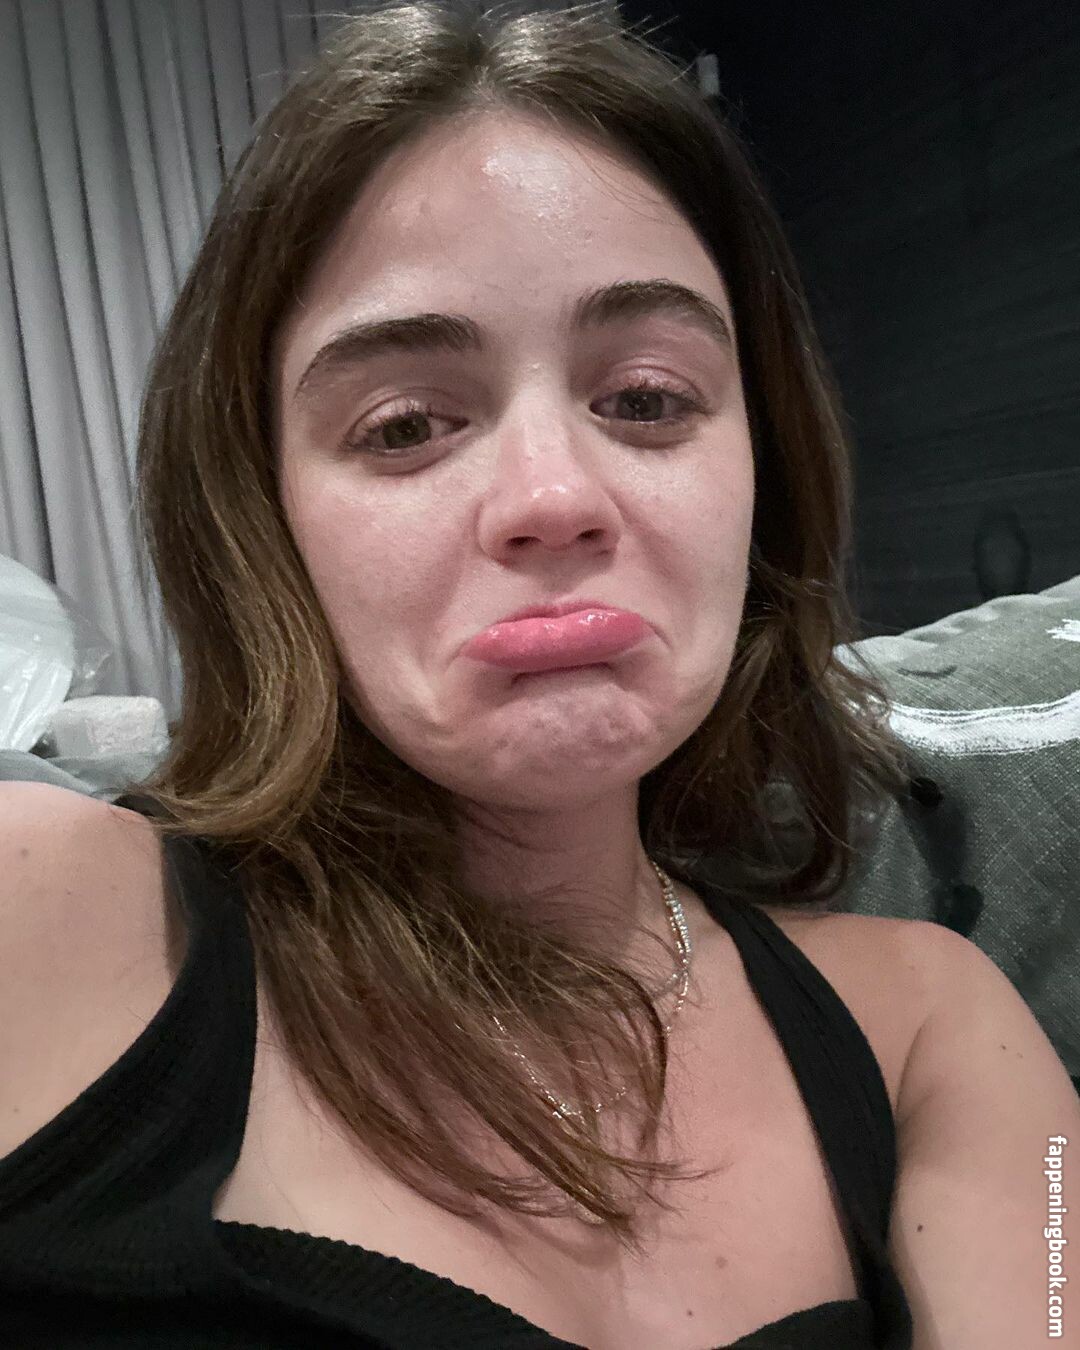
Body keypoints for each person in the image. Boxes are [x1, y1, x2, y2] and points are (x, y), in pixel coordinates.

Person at [0, 3, 1075, 1348]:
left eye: (647, 400)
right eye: (406, 424)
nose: (554, 497)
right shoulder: (44, 915)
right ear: (260, 515)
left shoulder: (927, 1025)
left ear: (765, 475)